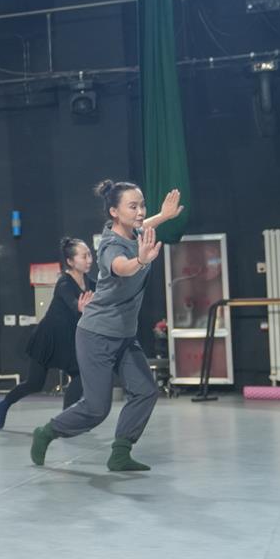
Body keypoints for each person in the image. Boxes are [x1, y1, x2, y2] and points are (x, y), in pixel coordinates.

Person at [30, 185, 183, 471]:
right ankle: (47, 432)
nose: (140, 212)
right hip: (96, 335)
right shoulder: (110, 245)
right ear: (114, 212)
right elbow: (121, 267)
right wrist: (141, 260)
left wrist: (164, 215)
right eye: (133, 207)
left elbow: (144, 224)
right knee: (96, 408)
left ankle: (120, 453)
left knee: (145, 390)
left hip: (124, 335)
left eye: (142, 205)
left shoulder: (135, 232)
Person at [0, 238, 95, 429]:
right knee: (34, 383)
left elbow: (104, 295)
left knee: (81, 375)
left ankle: (65, 420)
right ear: (71, 261)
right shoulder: (64, 282)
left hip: (69, 340)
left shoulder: (89, 282)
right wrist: (79, 307)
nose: (89, 259)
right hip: (48, 339)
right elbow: (72, 303)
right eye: (84, 256)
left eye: (90, 254)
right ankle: (4, 403)